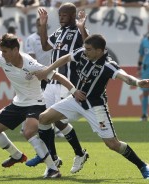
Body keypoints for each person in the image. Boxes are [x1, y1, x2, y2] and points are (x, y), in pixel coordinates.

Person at [35, 34, 149, 180]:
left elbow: (126, 77)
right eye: (85, 48)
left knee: (112, 144)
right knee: (43, 118)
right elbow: (66, 58)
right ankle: (52, 159)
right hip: (75, 100)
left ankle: (143, 166)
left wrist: (138, 83)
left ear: (100, 50)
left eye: (89, 49)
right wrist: (48, 70)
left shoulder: (108, 65)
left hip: (95, 107)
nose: (85, 51)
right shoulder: (83, 53)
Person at [0, 33, 78, 178]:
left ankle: (52, 169)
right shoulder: (2, 57)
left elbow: (58, 76)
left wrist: (74, 91)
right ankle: (16, 155)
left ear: (15, 50)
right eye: (2, 51)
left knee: (28, 132)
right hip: (18, 103)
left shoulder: (30, 64)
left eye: (5, 51)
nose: (2, 55)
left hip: (36, 103)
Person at [25, 3, 89, 174]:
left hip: (67, 82)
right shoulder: (59, 33)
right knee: (43, 118)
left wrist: (83, 27)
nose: (61, 18)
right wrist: (44, 24)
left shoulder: (77, 31)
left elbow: (88, 45)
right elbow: (46, 45)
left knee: (56, 119)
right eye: (59, 15)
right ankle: (53, 159)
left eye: (64, 16)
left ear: (72, 16)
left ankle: (78, 153)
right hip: (52, 82)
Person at [25, 18, 64, 138]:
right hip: (38, 74)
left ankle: (56, 129)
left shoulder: (52, 39)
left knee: (52, 104)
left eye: (42, 25)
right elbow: (31, 58)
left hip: (51, 74)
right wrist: (36, 72)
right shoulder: (31, 39)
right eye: (38, 24)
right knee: (32, 102)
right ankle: (25, 128)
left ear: (46, 25)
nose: (40, 26)